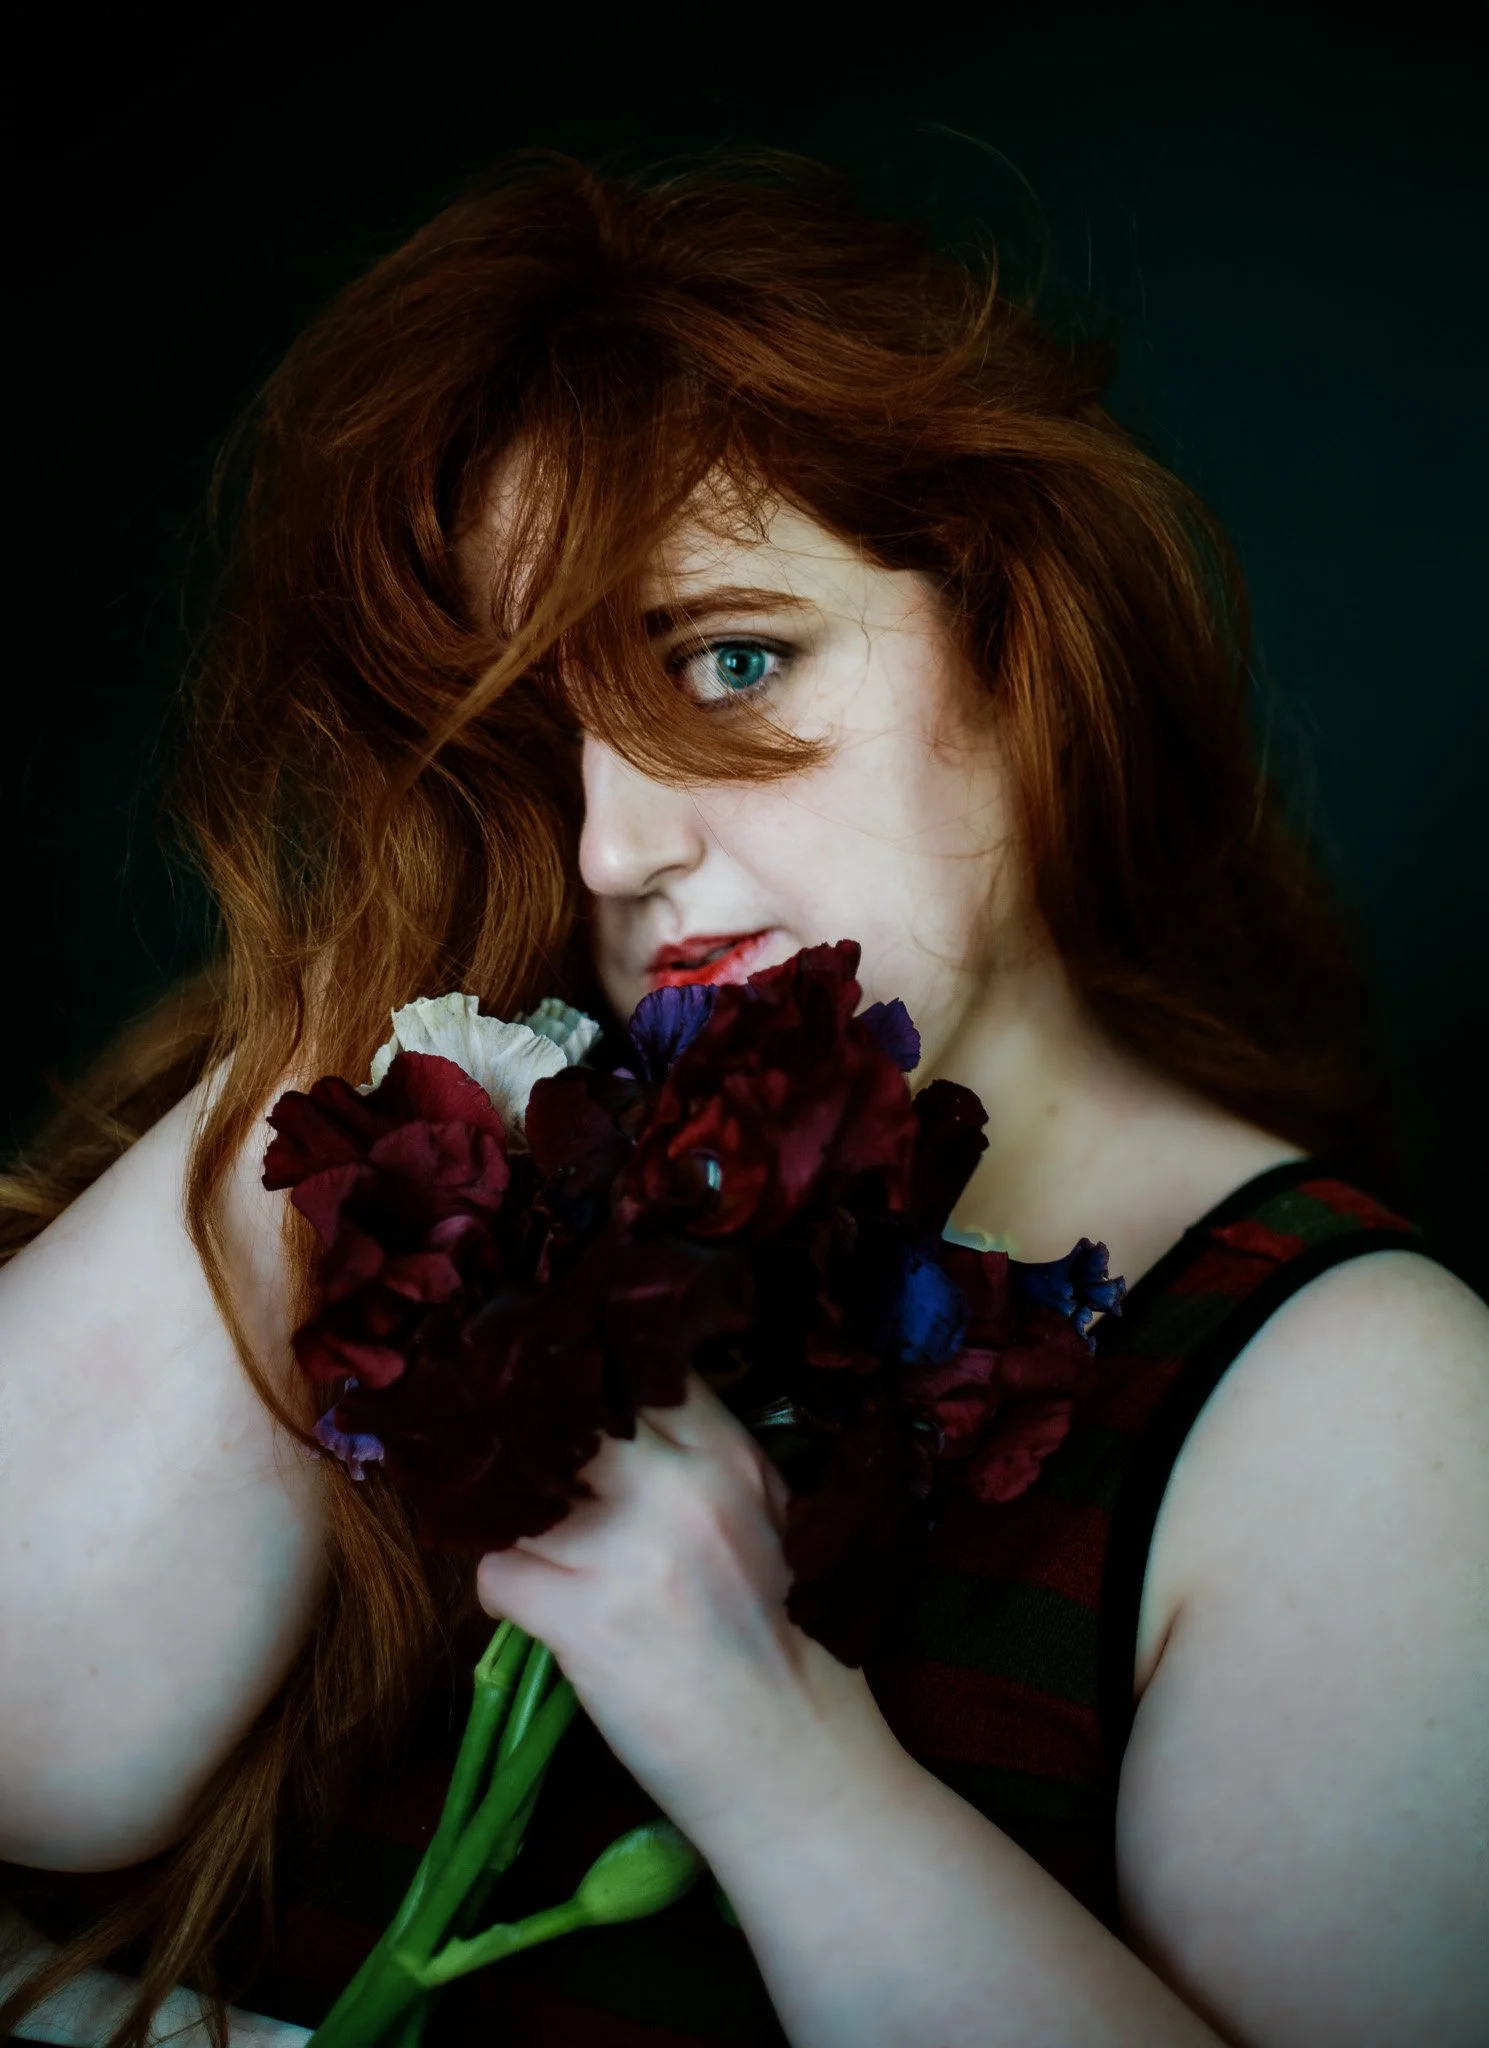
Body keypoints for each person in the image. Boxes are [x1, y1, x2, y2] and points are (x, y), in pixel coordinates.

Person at [1, 151, 1484, 2048]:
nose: (613, 847)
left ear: (1020, 642)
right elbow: (28, 1750)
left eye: (728, 660)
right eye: (534, 744)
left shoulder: (1361, 1405)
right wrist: (368, 1023)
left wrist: (772, 1747)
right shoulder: (439, 1135)